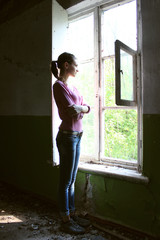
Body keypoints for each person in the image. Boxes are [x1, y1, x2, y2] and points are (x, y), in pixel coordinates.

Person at [51, 52, 91, 234]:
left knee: (72, 179)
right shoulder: (58, 86)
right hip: (67, 136)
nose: (78, 68)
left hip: (77, 135)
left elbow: (85, 107)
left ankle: (73, 214)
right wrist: (81, 109)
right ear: (66, 65)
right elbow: (70, 112)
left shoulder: (73, 88)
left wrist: (81, 108)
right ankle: (65, 219)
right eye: (76, 65)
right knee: (65, 180)